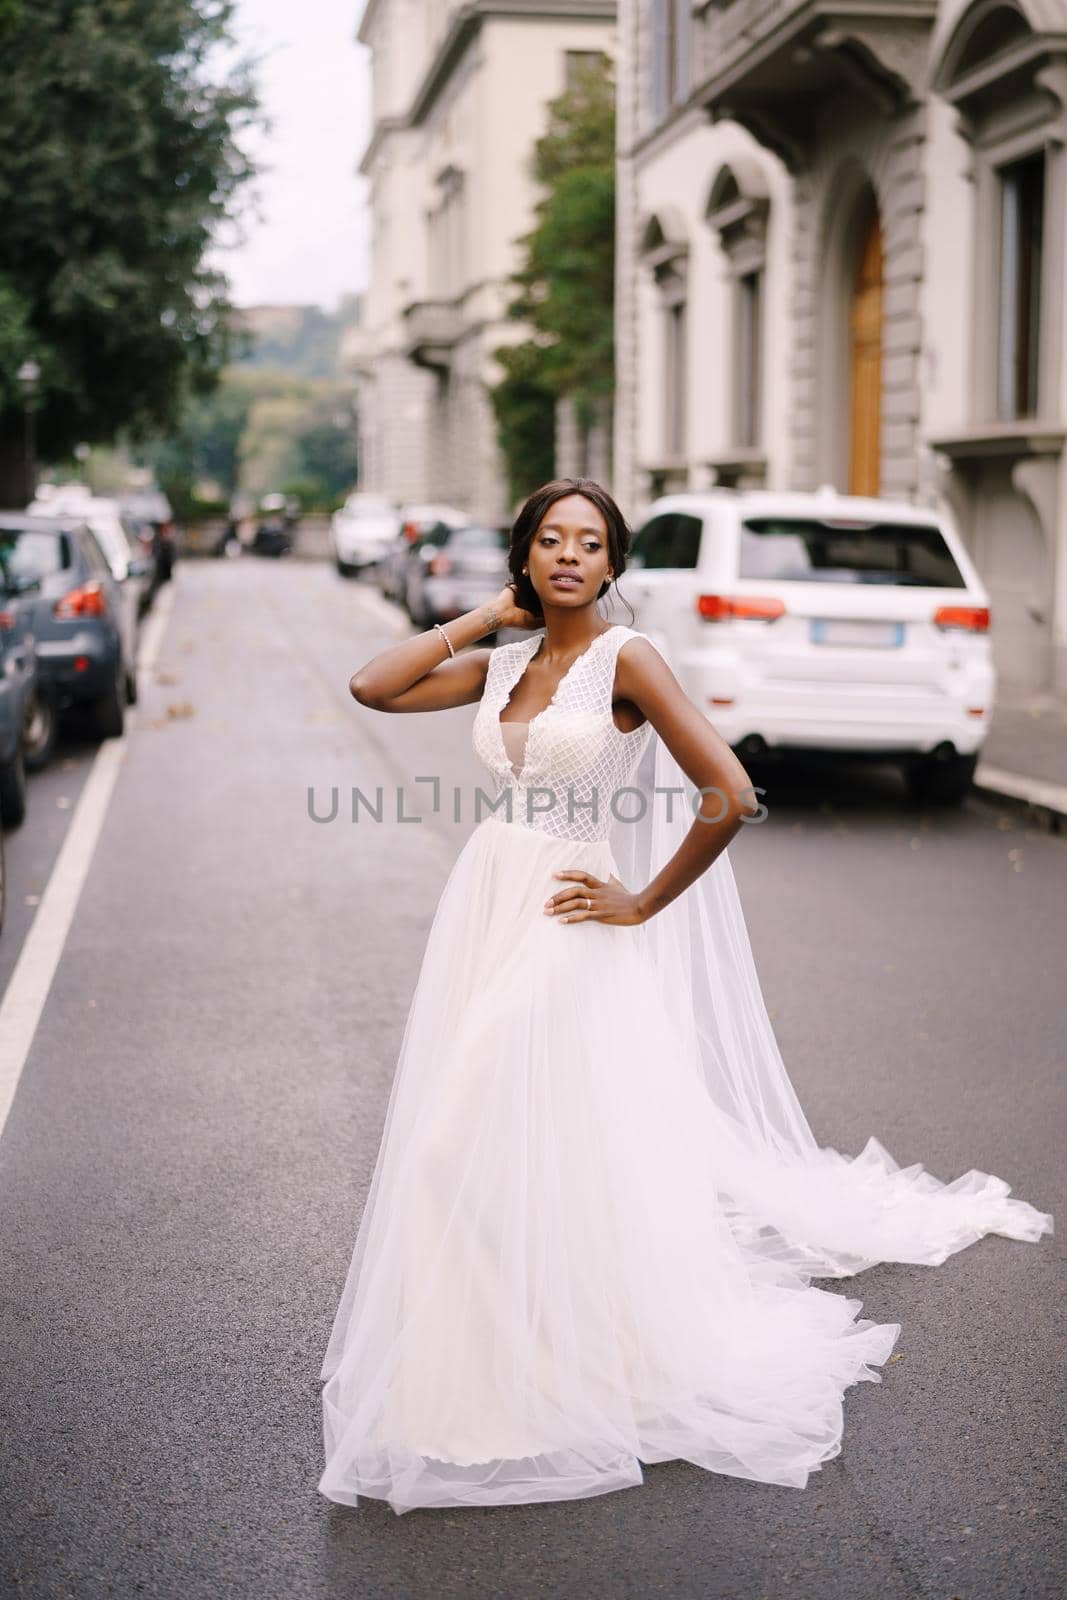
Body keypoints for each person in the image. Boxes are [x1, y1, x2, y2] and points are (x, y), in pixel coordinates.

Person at [319, 477, 1053, 1515]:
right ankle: (516, 1351)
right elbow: (370, 686)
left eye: (589, 543)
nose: (569, 556)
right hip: (486, 899)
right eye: (549, 541)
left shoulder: (628, 661)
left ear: (612, 564)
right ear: (525, 557)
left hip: (570, 914)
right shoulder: (504, 662)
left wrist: (641, 901)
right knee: (525, 1141)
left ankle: (572, 1363)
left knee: (448, 1148)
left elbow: (730, 790)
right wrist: (484, 618)